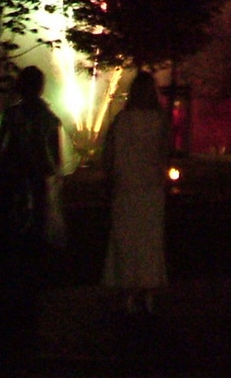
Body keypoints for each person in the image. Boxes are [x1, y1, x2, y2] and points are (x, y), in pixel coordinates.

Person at [0, 65, 67, 367]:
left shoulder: (11, 116)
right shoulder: (48, 120)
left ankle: (4, 307)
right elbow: (55, 162)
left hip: (8, 192)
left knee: (5, 250)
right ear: (40, 88)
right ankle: (25, 309)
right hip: (34, 193)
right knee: (31, 251)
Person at [101, 72, 171, 315]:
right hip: (151, 189)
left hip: (126, 189)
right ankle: (149, 291)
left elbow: (109, 155)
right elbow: (164, 153)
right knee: (149, 240)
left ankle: (128, 290)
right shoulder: (160, 121)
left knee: (127, 239)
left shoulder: (122, 121)